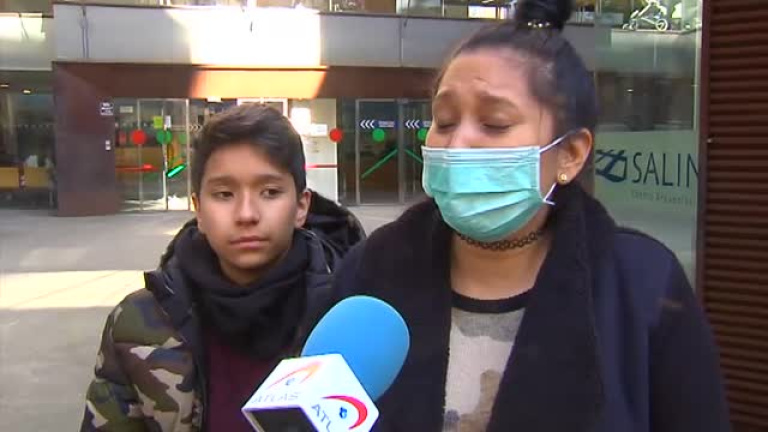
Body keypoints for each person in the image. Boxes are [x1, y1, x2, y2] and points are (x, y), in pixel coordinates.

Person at [330, 1, 731, 431]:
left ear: (570, 154)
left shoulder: (642, 286)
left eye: (494, 123)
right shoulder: (370, 270)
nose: (458, 143)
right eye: (444, 121)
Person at [80, 104, 365, 431]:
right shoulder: (138, 324)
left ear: (301, 206)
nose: (246, 214)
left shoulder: (347, 314)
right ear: (199, 209)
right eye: (224, 194)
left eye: (270, 192)